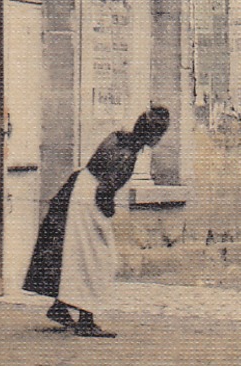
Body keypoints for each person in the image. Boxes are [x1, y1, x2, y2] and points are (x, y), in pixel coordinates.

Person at [25, 107, 170, 337]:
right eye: (159, 135)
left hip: (78, 189)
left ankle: (61, 307)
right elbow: (105, 191)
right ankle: (86, 320)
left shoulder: (118, 137)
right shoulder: (128, 155)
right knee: (98, 259)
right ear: (152, 136)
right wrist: (108, 214)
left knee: (78, 256)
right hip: (89, 200)